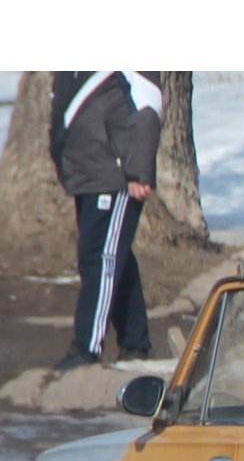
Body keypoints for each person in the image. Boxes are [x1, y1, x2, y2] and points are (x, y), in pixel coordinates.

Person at [49, 71, 163, 369]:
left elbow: (149, 108)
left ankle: (86, 347)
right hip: (86, 174)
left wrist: (139, 170)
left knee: (100, 258)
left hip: (115, 175)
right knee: (114, 256)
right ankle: (135, 343)